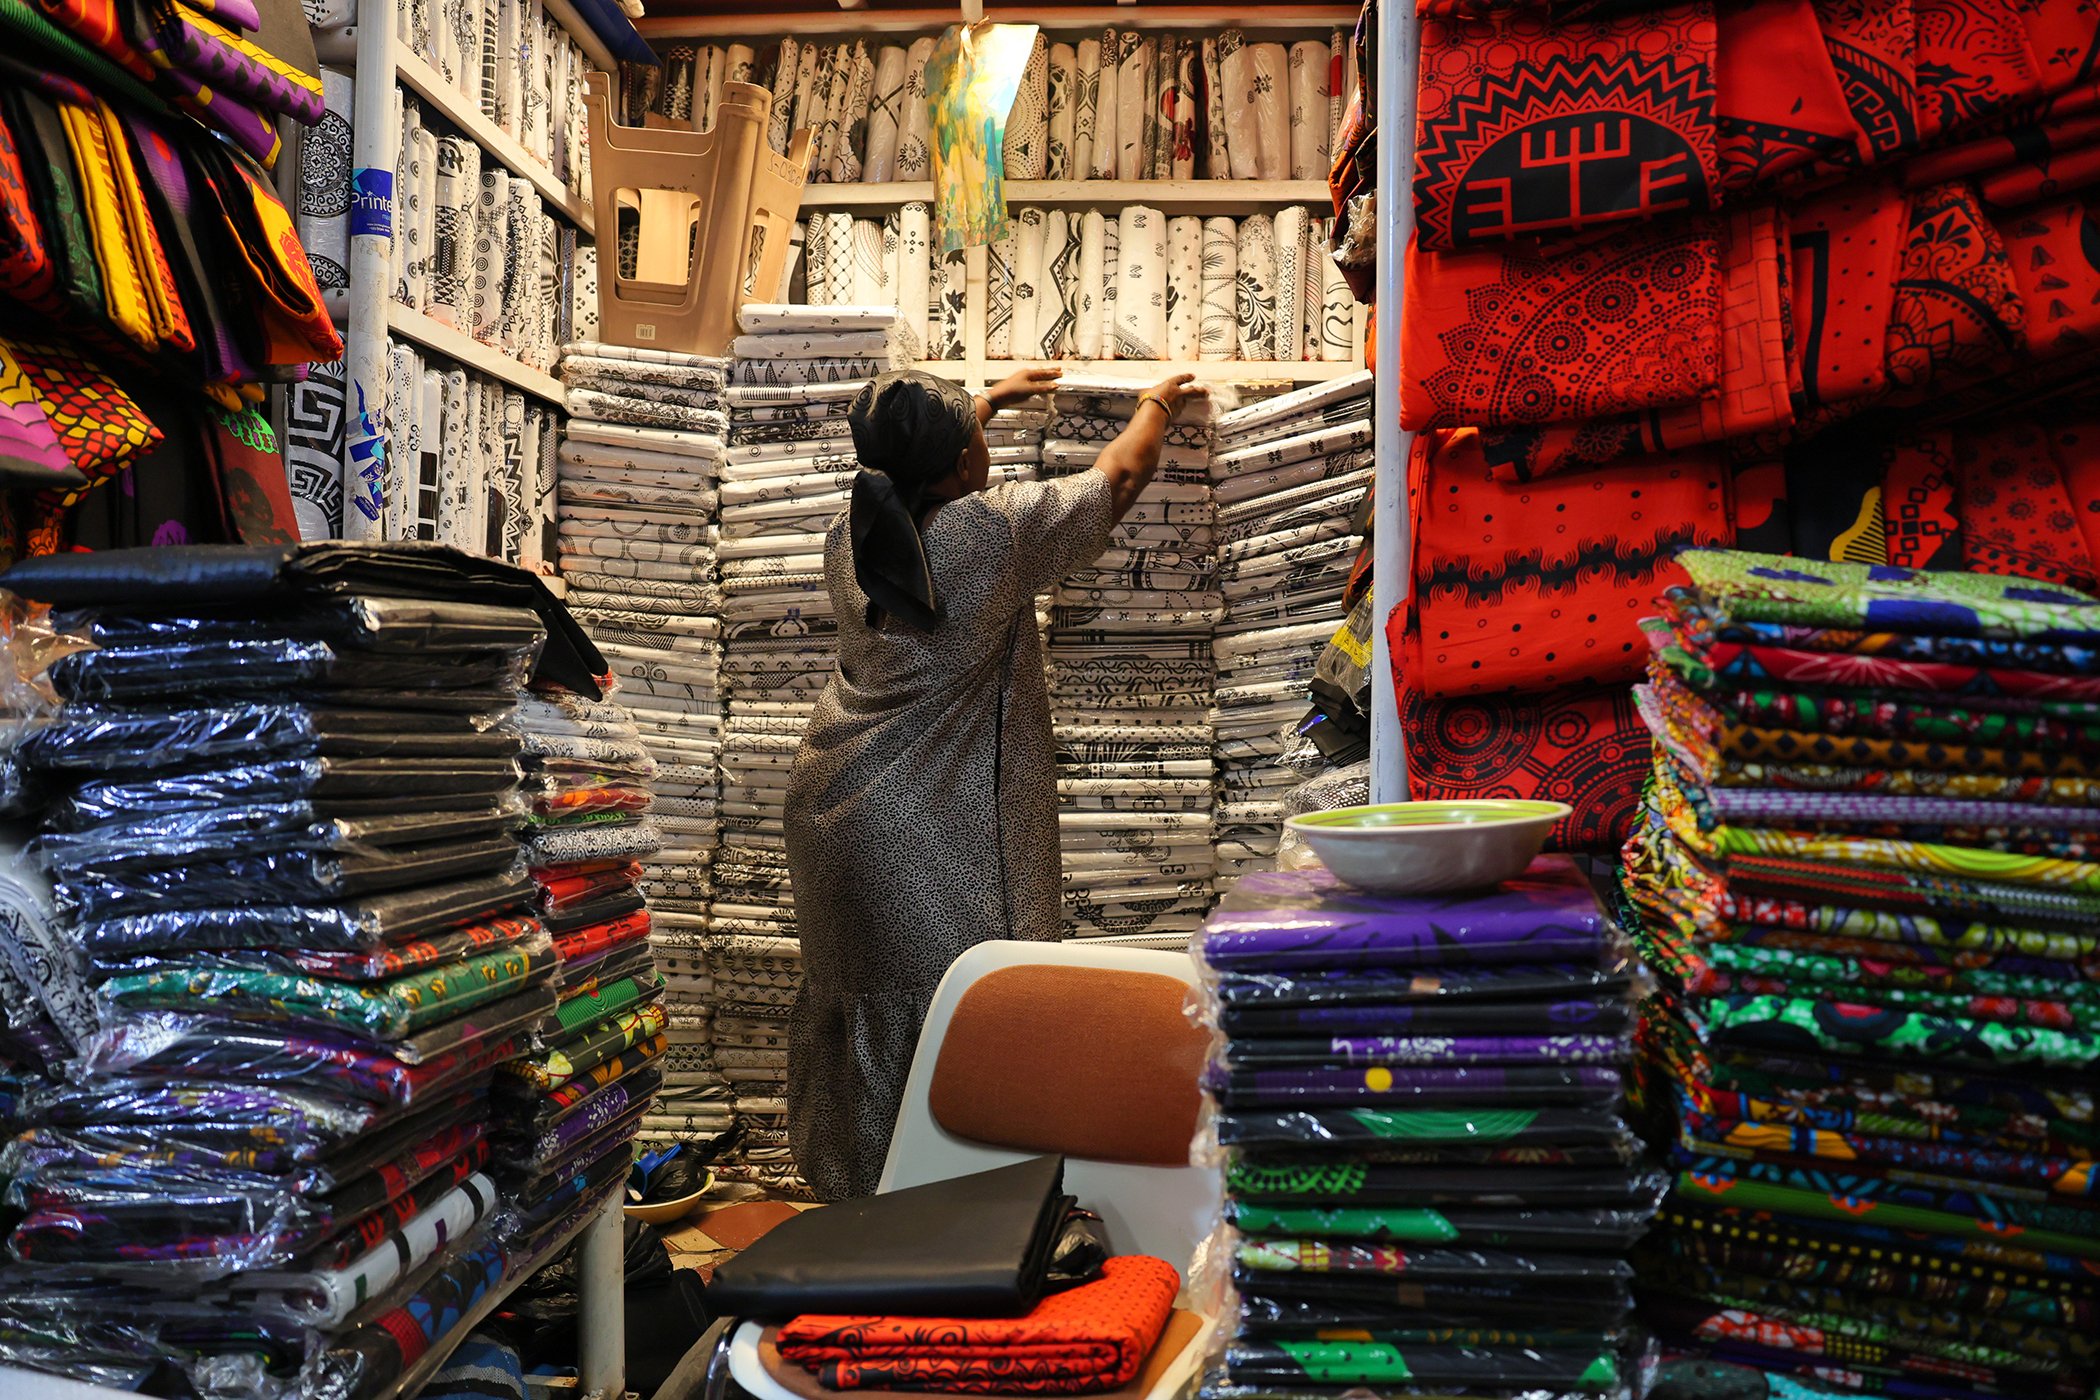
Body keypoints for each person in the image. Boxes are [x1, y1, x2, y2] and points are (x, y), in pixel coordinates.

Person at [782, 365, 1208, 1201]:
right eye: (977, 438)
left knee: (867, 1002)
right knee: (967, 1001)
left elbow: (909, 463)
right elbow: (1118, 479)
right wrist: (1159, 402)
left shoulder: (851, 532)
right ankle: (962, 1208)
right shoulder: (986, 535)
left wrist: (988, 401)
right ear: (961, 463)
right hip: (925, 821)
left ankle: (860, 1209)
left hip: (833, 806)